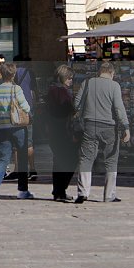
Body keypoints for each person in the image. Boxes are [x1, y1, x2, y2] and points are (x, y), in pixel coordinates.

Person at [74, 60, 130, 204]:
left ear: (99, 72)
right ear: (112, 73)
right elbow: (118, 108)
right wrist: (126, 126)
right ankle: (108, 195)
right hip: (109, 127)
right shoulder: (114, 86)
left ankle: (83, 193)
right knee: (111, 160)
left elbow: (76, 103)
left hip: (89, 126)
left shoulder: (88, 83)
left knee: (86, 159)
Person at [0, 62, 33, 201]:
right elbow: (25, 106)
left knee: (3, 158)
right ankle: (23, 190)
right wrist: (30, 112)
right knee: (22, 158)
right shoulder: (16, 88)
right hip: (17, 127)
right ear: (13, 74)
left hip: (1, 128)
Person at [45, 65, 78, 201]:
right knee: (70, 160)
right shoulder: (60, 92)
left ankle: (59, 191)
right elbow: (67, 109)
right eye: (69, 78)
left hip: (53, 130)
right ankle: (60, 189)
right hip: (62, 130)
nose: (71, 81)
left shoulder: (52, 90)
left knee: (59, 160)